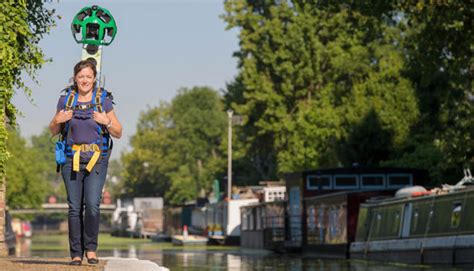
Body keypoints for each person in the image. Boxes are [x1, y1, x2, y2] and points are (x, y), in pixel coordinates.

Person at [49, 59, 122, 266]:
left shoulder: (103, 100)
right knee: (74, 207)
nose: (84, 80)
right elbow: (52, 130)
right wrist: (58, 120)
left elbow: (118, 132)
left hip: (97, 159)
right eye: (81, 77)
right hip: (71, 159)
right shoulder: (65, 100)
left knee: (92, 205)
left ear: (94, 78)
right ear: (75, 78)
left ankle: (90, 249)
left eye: (88, 76)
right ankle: (75, 254)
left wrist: (105, 121)